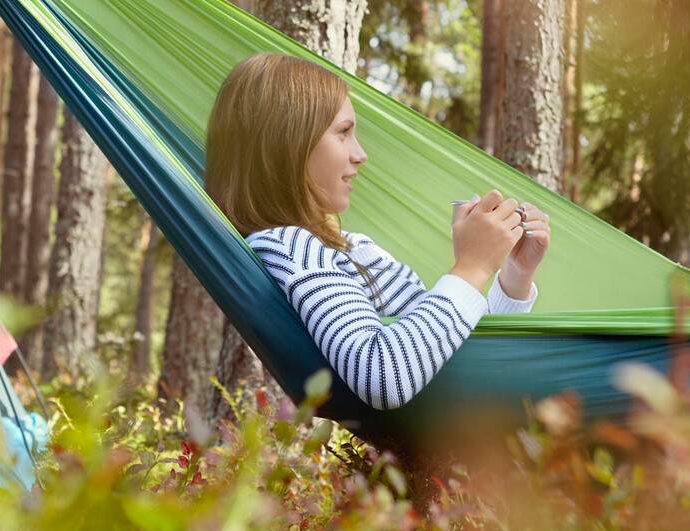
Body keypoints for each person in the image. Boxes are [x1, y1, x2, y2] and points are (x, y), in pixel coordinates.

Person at [204, 52, 549, 410]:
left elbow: (450, 353)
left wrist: (513, 275)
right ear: (287, 143)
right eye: (343, 133)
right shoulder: (290, 247)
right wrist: (473, 266)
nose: (360, 154)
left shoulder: (345, 248)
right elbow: (383, 375)